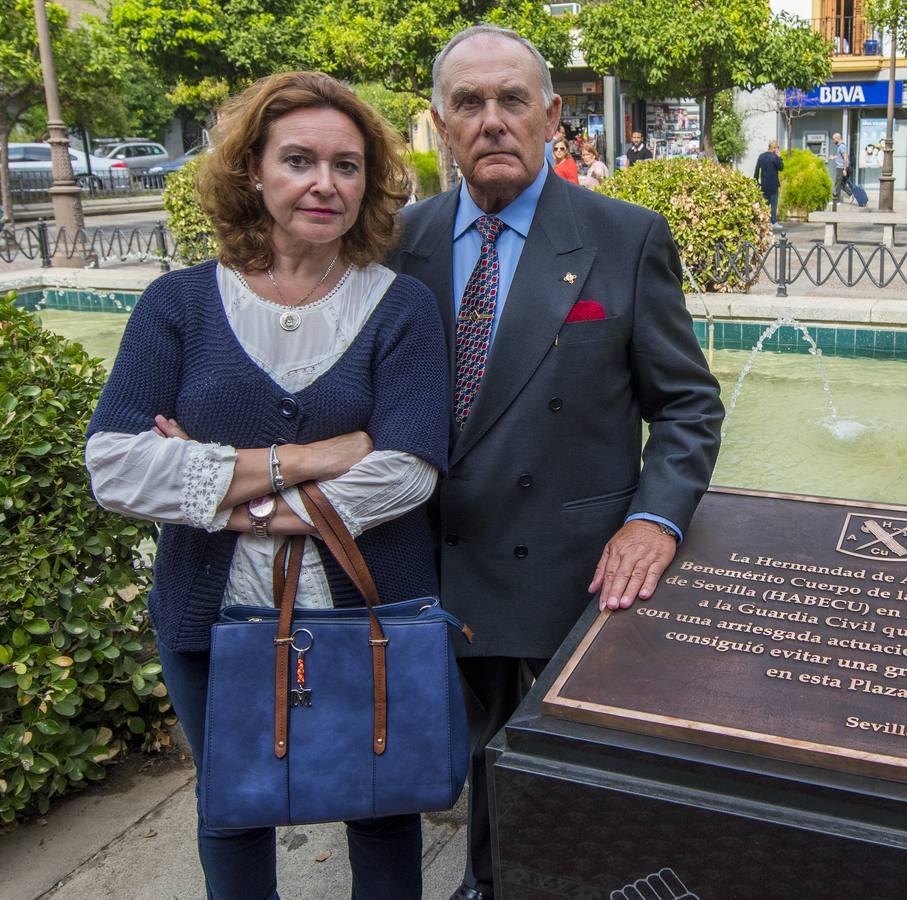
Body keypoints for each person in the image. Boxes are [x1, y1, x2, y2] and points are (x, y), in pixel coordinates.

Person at [85, 72, 450, 899]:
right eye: (299, 160)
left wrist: (225, 493)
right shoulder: (176, 306)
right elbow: (114, 464)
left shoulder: (402, 308)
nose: (325, 184)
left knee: (383, 806)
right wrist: (312, 459)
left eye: (348, 166)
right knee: (231, 810)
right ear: (253, 170)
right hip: (209, 613)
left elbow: (409, 468)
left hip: (372, 607)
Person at [388, 24, 723, 900]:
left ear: (552, 114)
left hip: (566, 567)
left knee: (539, 780)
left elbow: (687, 405)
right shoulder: (395, 243)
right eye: (469, 103)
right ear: (439, 122)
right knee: (441, 763)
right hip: (425, 561)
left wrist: (655, 518)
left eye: (511, 100)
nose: (492, 121)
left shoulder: (625, 236)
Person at [753, 140, 784, 224]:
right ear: (774, 148)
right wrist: (779, 157)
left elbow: (757, 170)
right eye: (777, 148)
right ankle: (773, 222)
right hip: (773, 185)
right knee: (773, 204)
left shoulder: (761, 156)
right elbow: (781, 167)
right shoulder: (774, 157)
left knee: (765, 204)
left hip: (764, 185)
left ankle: (764, 221)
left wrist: (756, 181)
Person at [832, 131, 852, 202]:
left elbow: (845, 158)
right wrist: (834, 157)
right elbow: (841, 157)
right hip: (841, 167)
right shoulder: (841, 146)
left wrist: (844, 169)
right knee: (841, 184)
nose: (833, 141)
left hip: (841, 168)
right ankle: (851, 194)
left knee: (838, 184)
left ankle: (836, 201)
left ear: (837, 138)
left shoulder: (842, 146)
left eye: (834, 139)